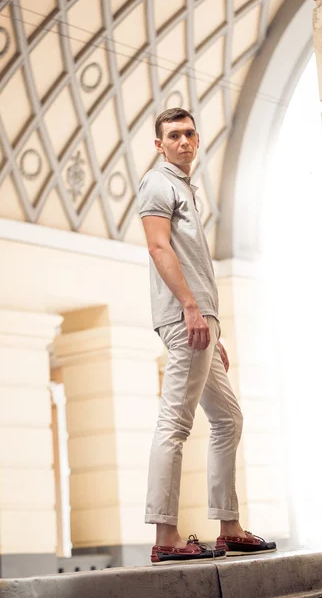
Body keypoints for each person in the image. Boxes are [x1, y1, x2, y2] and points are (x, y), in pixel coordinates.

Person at [137, 107, 276, 566]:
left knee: (228, 418)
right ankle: (165, 535)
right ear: (159, 144)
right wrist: (192, 309)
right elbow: (158, 247)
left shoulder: (184, 189)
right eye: (173, 135)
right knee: (174, 423)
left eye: (190, 134)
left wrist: (212, 328)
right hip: (186, 318)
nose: (183, 141)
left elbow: (189, 259)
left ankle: (229, 527)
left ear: (197, 141)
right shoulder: (158, 183)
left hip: (201, 322)